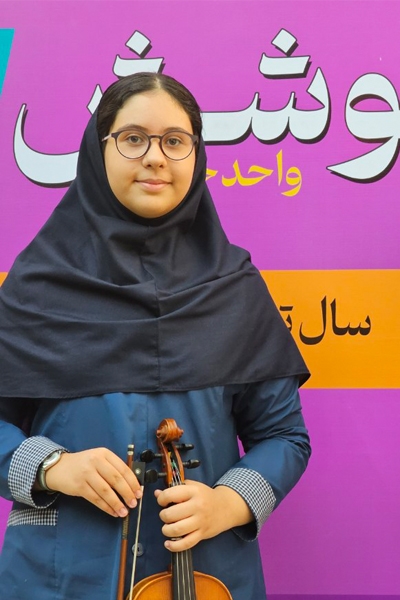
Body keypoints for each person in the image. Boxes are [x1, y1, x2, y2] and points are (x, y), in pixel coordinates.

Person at [0, 72, 311, 600]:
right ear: (97, 152)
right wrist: (53, 467)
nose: (155, 158)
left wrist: (228, 503)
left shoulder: (235, 290)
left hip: (205, 576)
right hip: (58, 577)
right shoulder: (36, 287)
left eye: (174, 141)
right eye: (133, 138)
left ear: (197, 155)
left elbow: (284, 437)